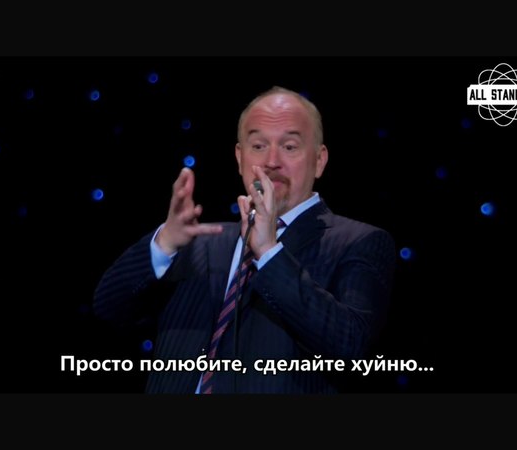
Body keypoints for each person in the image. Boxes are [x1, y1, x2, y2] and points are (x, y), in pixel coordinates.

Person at [92, 86, 396, 394]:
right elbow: (108, 309)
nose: (272, 161)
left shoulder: (359, 242)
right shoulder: (199, 243)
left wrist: (269, 253)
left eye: (290, 146)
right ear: (239, 157)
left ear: (319, 160)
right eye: (259, 145)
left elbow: (351, 348)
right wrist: (164, 244)